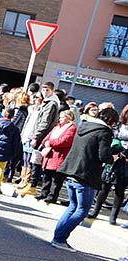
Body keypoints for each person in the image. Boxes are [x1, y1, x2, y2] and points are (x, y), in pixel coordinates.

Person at [51, 107, 119, 251]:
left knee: (72, 207)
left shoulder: (84, 125)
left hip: (70, 170)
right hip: (85, 175)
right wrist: (114, 157)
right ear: (110, 121)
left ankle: (58, 237)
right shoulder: (104, 132)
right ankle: (59, 239)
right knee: (82, 210)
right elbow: (103, 156)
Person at [18, 81, 59, 197]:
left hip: (40, 137)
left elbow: (44, 123)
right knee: (27, 159)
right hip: (33, 135)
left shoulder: (51, 104)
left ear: (52, 91)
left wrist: (36, 137)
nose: (45, 92)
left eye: (47, 90)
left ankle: (30, 184)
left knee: (34, 161)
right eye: (43, 90)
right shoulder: (46, 103)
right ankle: (25, 181)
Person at [88, 105, 128, 224]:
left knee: (120, 189)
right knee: (104, 186)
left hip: (125, 160)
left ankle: (113, 216)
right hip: (113, 157)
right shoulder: (117, 127)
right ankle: (95, 210)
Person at [36, 109, 76, 203]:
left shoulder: (72, 128)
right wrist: (45, 142)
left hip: (59, 155)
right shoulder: (57, 127)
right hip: (50, 153)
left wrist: (50, 143)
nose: (60, 119)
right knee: (47, 175)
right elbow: (48, 136)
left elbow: (66, 140)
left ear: (68, 118)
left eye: (62, 117)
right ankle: (44, 192)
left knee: (56, 178)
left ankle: (52, 196)